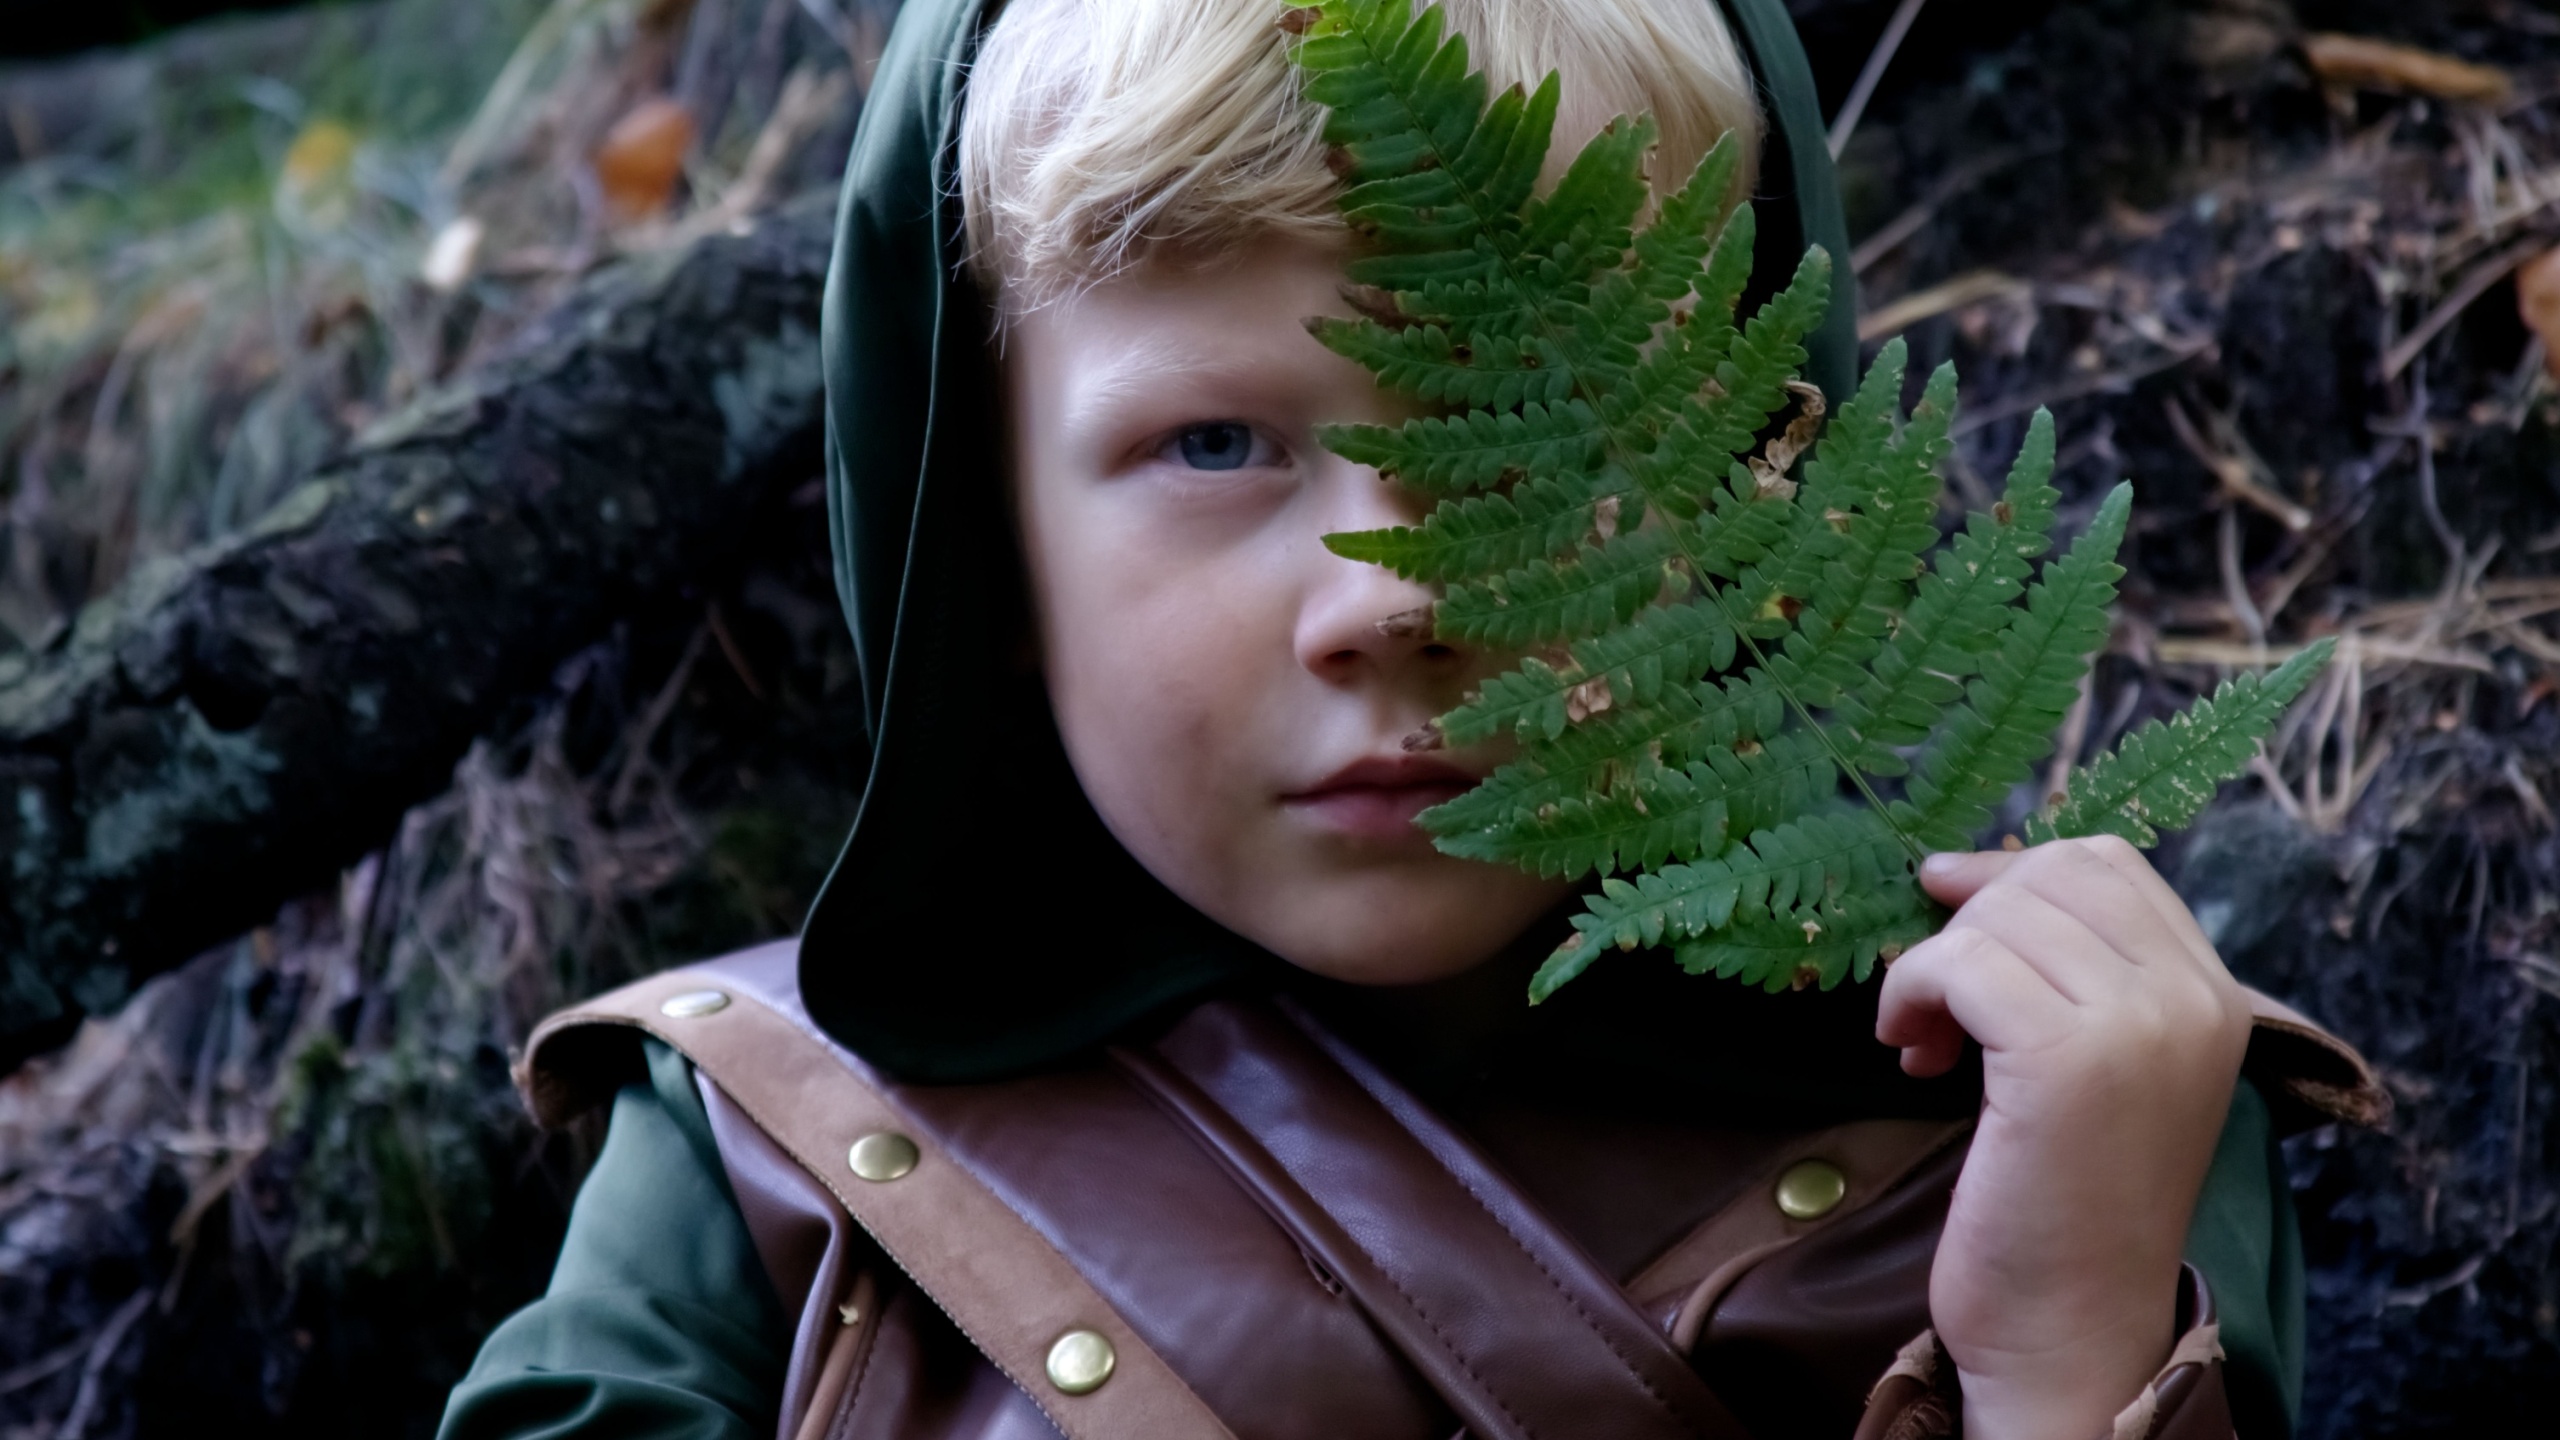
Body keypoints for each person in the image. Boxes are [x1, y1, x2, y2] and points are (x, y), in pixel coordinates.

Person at [437, 2, 2386, 1437]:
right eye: (1213, 441)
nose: (1397, 597)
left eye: (1523, 449)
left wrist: (2061, 1361)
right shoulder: (747, 1163)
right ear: (978, 550)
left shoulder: (2078, 1115)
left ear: (1776, 476)